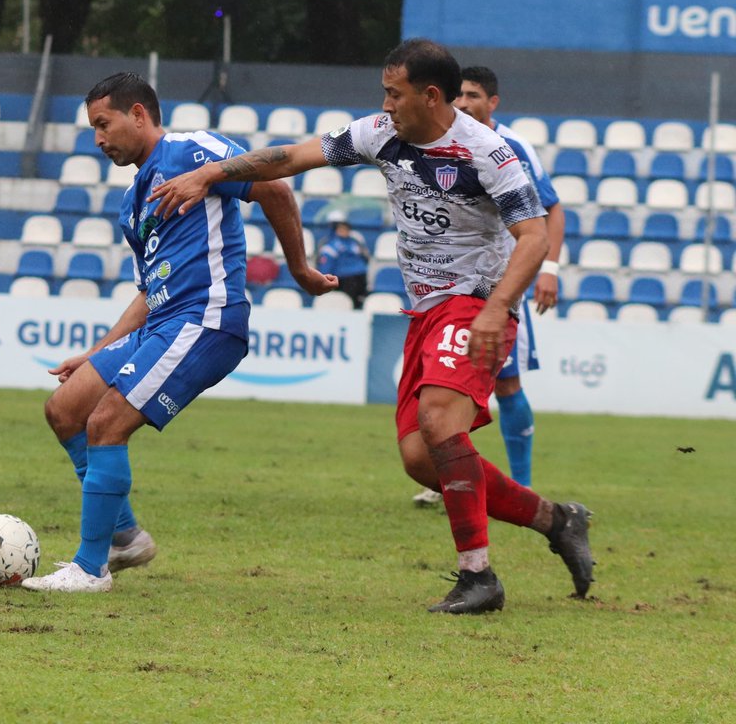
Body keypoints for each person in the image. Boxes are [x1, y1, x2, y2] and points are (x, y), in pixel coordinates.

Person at [150, 39, 595, 614]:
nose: (384, 103)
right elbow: (289, 158)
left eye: (394, 92)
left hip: (476, 304)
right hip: (424, 312)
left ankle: (478, 576)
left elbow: (533, 235)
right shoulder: (381, 133)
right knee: (420, 459)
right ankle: (557, 519)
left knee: (438, 421)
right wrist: (209, 174)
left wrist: (495, 308)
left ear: (430, 96)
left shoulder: (488, 153)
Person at [22, 72, 338, 593]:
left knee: (105, 423)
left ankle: (90, 567)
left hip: (207, 319)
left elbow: (276, 189)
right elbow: (149, 291)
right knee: (65, 409)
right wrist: (96, 352)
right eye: (92, 130)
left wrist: (300, 270)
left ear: (139, 114)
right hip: (164, 321)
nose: (98, 139)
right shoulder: (133, 203)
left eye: (104, 124)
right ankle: (124, 537)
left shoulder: (193, 152)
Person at [454, 65, 565, 489]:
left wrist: (549, 268)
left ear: (492, 102)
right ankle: (446, 475)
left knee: (507, 383)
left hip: (501, 282)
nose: (463, 103)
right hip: (450, 280)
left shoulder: (513, 145)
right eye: (458, 95)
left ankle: (521, 485)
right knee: (449, 383)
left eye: (473, 95)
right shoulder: (442, 140)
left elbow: (552, 208)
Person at [315, 211, 370, 308]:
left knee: (358, 304)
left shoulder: (355, 242)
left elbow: (365, 257)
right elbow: (325, 266)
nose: (344, 231)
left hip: (359, 278)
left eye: (346, 228)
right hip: (342, 280)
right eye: (340, 228)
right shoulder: (328, 245)